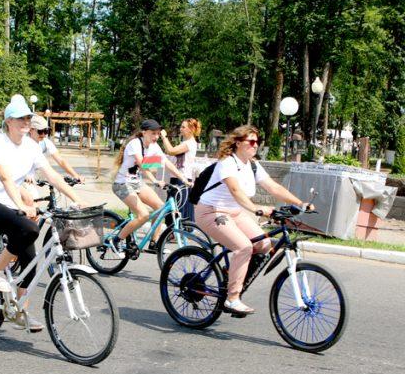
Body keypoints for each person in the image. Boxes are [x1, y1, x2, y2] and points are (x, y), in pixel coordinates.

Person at [0, 95, 85, 331]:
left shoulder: (31, 146)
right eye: (20, 118)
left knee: (31, 261)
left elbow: (52, 175)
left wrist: (77, 200)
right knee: (29, 228)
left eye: (28, 117)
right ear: (8, 122)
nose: (26, 121)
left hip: (12, 203)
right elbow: (5, 178)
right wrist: (23, 205)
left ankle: (19, 311)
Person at [194, 125, 311, 316]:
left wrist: (300, 203)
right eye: (252, 142)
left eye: (258, 142)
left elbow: (273, 187)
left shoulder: (253, 164)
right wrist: (256, 209)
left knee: (264, 244)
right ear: (238, 143)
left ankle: (232, 276)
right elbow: (235, 190)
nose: (255, 146)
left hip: (234, 212)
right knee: (244, 247)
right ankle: (232, 298)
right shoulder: (228, 162)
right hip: (211, 212)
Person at [107, 119, 190, 253]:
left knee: (161, 208)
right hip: (122, 184)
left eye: (158, 134)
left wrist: (183, 178)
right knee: (143, 215)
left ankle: (154, 243)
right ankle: (116, 240)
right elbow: (141, 164)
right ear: (144, 132)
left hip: (137, 183)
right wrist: (154, 180)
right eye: (153, 133)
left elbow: (166, 163)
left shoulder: (154, 146)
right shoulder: (135, 144)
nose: (156, 137)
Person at [160, 117, 201, 223]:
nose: (180, 129)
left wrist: (164, 137)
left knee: (177, 210)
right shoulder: (185, 142)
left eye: (183, 127)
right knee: (174, 209)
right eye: (181, 126)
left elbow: (171, 151)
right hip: (178, 178)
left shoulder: (189, 143)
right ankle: (173, 235)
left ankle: (176, 234)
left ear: (191, 129)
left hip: (182, 179)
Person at [29, 115, 84, 183]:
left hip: (37, 175)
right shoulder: (22, 142)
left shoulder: (46, 143)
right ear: (31, 130)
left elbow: (61, 161)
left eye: (46, 131)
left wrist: (75, 175)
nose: (43, 134)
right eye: (40, 131)